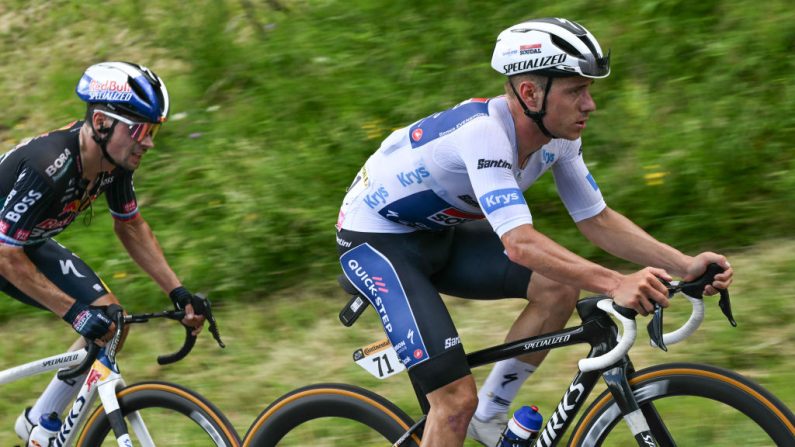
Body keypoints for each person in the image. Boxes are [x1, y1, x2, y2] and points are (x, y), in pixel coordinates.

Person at [335, 18, 733, 446]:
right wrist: (616, 281)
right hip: (378, 242)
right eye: (576, 91)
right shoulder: (484, 135)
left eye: (589, 90)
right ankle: (467, 413)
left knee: (559, 288)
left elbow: (596, 218)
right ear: (530, 93)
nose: (590, 105)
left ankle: (489, 416)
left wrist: (684, 264)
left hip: (439, 235)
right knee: (452, 402)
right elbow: (519, 243)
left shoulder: (556, 138)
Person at [1, 61, 206, 443]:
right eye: (141, 130)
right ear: (100, 123)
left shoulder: (114, 163)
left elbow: (130, 226)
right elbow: (4, 256)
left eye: (154, 130)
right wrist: (74, 312)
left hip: (21, 243)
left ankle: (40, 424)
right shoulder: (50, 165)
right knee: (88, 318)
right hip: (6, 249)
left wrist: (178, 292)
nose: (149, 142)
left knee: (112, 321)